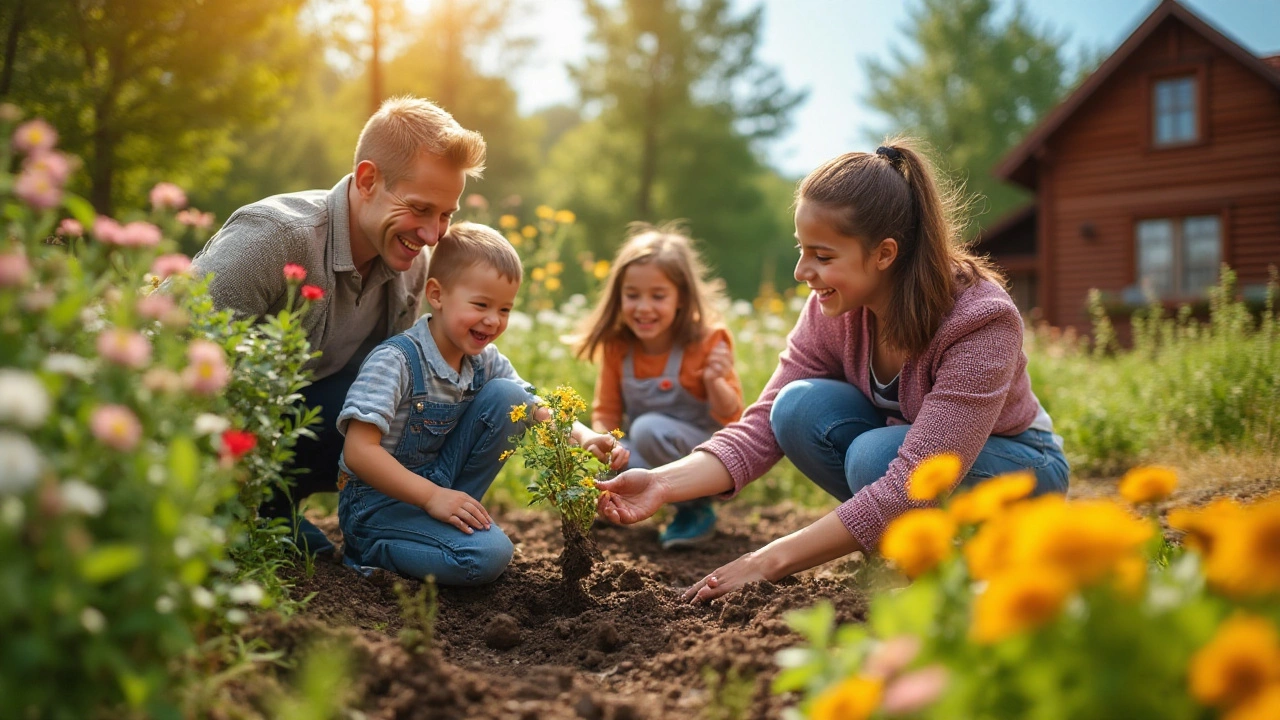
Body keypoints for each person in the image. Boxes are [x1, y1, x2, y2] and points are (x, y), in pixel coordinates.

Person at [596, 139, 1070, 601]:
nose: (802, 271)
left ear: (885, 254)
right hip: (903, 458)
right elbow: (759, 426)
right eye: (802, 249)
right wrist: (661, 482)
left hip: (1021, 468)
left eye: (823, 256)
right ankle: (924, 556)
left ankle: (979, 557)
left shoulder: (979, 318)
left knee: (872, 456)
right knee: (796, 407)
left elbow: (915, 476)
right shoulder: (833, 309)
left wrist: (767, 561)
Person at [188, 97, 485, 555]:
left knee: (417, 405)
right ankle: (227, 510)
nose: (432, 234)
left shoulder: (412, 264)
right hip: (212, 433)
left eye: (446, 214)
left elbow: (392, 389)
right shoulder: (273, 238)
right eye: (421, 209)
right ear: (368, 180)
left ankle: (278, 507)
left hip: (288, 429)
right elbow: (168, 339)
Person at [335, 223, 628, 585]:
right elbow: (359, 452)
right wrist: (430, 497)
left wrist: (583, 437)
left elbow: (533, 403)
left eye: (505, 309)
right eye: (481, 305)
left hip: (441, 492)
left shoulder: (484, 361)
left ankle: (449, 529)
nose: (493, 320)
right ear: (437, 295)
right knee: (488, 556)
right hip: (378, 507)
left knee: (510, 396)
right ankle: (368, 551)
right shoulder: (395, 361)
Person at [576, 224, 744, 549]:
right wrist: (605, 442)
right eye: (632, 295)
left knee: (649, 428)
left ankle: (696, 510)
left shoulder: (707, 340)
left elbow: (732, 417)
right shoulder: (617, 345)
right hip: (650, 443)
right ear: (618, 295)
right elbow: (607, 412)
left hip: (707, 457)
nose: (643, 308)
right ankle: (628, 506)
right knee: (609, 458)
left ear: (680, 296)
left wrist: (714, 381)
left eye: (658, 295)